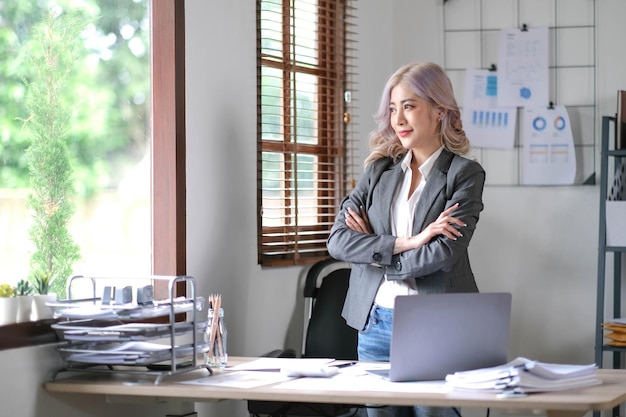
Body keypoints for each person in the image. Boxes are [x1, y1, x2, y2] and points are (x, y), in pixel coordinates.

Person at [327, 62, 485, 417]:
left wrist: (375, 250)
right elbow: (337, 241)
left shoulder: (464, 174)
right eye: (393, 108)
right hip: (376, 321)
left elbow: (445, 251)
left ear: (439, 109)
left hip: (435, 321)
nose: (398, 119)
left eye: (409, 106)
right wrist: (410, 242)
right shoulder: (379, 170)